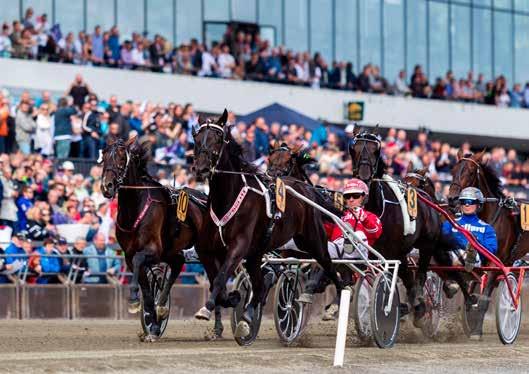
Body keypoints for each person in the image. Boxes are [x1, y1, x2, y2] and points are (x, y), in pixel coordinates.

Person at [321, 178, 383, 320]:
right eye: (347, 196)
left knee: (358, 234)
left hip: (360, 257)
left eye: (355, 196)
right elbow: (324, 231)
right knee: (318, 248)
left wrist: (364, 218)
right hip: (338, 254)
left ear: (364, 198)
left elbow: (376, 233)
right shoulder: (339, 218)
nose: (351, 199)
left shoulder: (371, 216)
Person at [441, 187, 497, 272]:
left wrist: (477, 242)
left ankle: (470, 256)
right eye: (464, 202)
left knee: (471, 250)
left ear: (479, 205)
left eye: (470, 202)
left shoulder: (487, 228)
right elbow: (442, 238)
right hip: (450, 255)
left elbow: (492, 250)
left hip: (475, 261)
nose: (467, 205)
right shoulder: (450, 223)